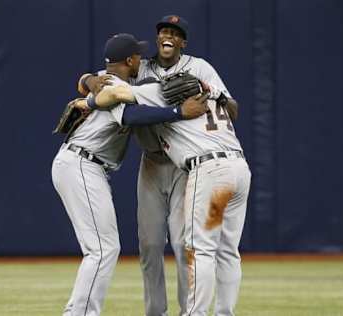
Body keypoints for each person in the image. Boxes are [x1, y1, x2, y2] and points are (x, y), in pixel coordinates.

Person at [78, 15, 238, 316]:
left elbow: (232, 108)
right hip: (151, 163)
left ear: (183, 42)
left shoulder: (199, 66)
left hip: (184, 167)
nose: (169, 36)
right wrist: (88, 81)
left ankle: (186, 310)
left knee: (182, 243)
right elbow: (98, 80)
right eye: (164, 31)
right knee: (150, 244)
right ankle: (155, 311)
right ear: (157, 38)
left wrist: (214, 94)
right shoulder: (141, 67)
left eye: (176, 33)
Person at [52, 33, 208, 316]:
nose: (141, 58)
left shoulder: (105, 77)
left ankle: (77, 311)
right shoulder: (113, 83)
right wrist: (178, 111)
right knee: (102, 250)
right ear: (129, 60)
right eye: (137, 55)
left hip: (82, 164)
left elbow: (86, 79)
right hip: (82, 163)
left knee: (103, 249)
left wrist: (87, 79)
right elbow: (131, 117)